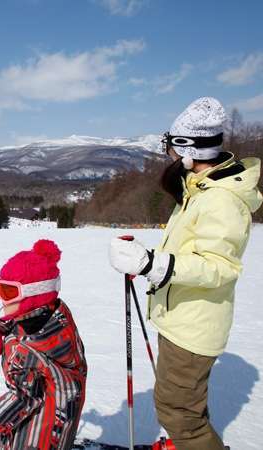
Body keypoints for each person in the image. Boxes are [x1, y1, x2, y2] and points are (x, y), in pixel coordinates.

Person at [109, 97, 262, 450]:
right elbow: (191, 251)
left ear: (188, 148)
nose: (169, 155)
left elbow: (220, 267)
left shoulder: (220, 199)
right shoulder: (199, 189)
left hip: (193, 326)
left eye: (171, 146)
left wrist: (151, 264)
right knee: (184, 405)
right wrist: (148, 261)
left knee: (177, 412)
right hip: (182, 317)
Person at [0, 239, 87, 450]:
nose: (1, 299)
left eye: (9, 292)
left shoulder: (26, 353)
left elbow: (22, 397)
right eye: (0, 288)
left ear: (35, 294)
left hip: (36, 435)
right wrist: (5, 332)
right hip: (62, 415)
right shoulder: (57, 316)